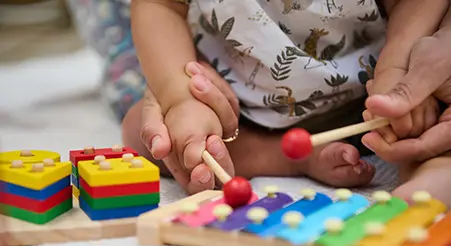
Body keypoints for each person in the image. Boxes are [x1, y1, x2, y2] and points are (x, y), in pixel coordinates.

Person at [68, 0, 451, 205]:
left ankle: (432, 168)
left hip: (373, 91)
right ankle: (289, 157)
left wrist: (399, 65)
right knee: (146, 133)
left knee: (430, 99)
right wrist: (181, 96)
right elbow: (161, 6)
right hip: (238, 107)